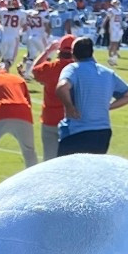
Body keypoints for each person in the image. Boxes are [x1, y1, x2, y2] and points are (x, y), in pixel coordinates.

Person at [55, 36, 128, 155]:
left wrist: (70, 107)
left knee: (69, 171)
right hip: (102, 132)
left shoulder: (73, 69)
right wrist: (108, 106)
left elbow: (62, 87)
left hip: (77, 130)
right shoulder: (107, 73)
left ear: (73, 54)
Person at [0, 63, 37, 170]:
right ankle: (36, 182)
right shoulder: (19, 79)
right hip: (24, 112)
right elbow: (28, 102)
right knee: (29, 151)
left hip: (2, 111)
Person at [30, 34, 75, 163]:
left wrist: (47, 51)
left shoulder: (50, 68)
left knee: (49, 161)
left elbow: (35, 69)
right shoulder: (77, 69)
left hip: (49, 118)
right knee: (69, 161)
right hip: (71, 120)